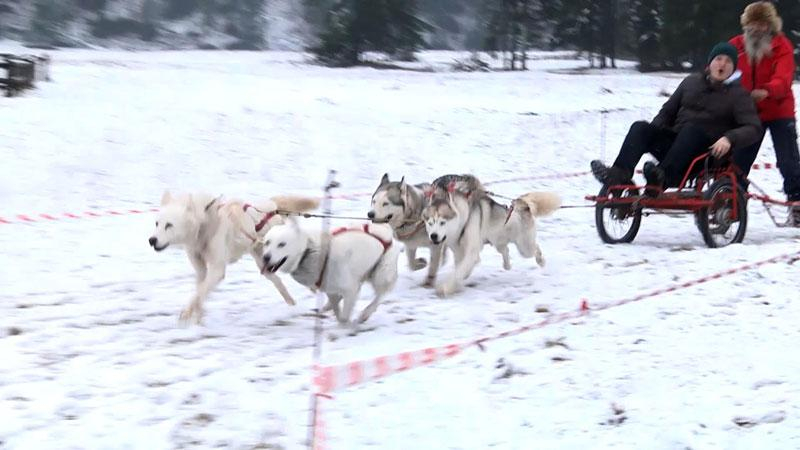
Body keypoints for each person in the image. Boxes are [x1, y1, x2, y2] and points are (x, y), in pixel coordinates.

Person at [591, 42, 762, 197]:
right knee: (640, 128)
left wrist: (729, 139)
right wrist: (653, 132)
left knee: (691, 130)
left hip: (706, 153)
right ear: (710, 63)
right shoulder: (690, 82)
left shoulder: (739, 95)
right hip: (675, 144)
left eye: (728, 62)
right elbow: (667, 112)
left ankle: (662, 177)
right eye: (718, 59)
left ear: (733, 69)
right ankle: (618, 175)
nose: (722, 64)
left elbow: (753, 128)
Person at [730, 1, 800, 226]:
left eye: (761, 23)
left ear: (770, 25)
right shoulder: (736, 46)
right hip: (749, 113)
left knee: (788, 161)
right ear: (746, 24)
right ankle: (734, 202)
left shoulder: (782, 46)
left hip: (779, 109)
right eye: (752, 23)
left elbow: (784, 77)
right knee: (739, 160)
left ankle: (796, 204)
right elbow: (719, 66)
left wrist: (767, 90)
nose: (756, 28)